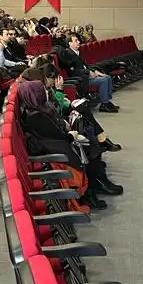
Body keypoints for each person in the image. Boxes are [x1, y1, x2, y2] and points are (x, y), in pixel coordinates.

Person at [16, 79, 121, 210]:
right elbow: (58, 136)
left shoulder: (38, 110)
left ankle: (99, 182)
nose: (46, 92)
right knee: (88, 146)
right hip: (57, 151)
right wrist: (71, 134)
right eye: (42, 90)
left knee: (87, 137)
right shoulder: (36, 117)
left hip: (59, 145)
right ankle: (93, 189)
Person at [60, 32, 119, 113]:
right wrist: (88, 72)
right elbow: (72, 71)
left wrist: (95, 71)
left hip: (87, 76)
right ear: (70, 43)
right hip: (81, 79)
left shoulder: (77, 52)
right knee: (104, 80)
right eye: (76, 40)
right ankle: (104, 104)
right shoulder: (68, 53)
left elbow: (86, 66)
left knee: (107, 77)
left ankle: (107, 102)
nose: (79, 42)